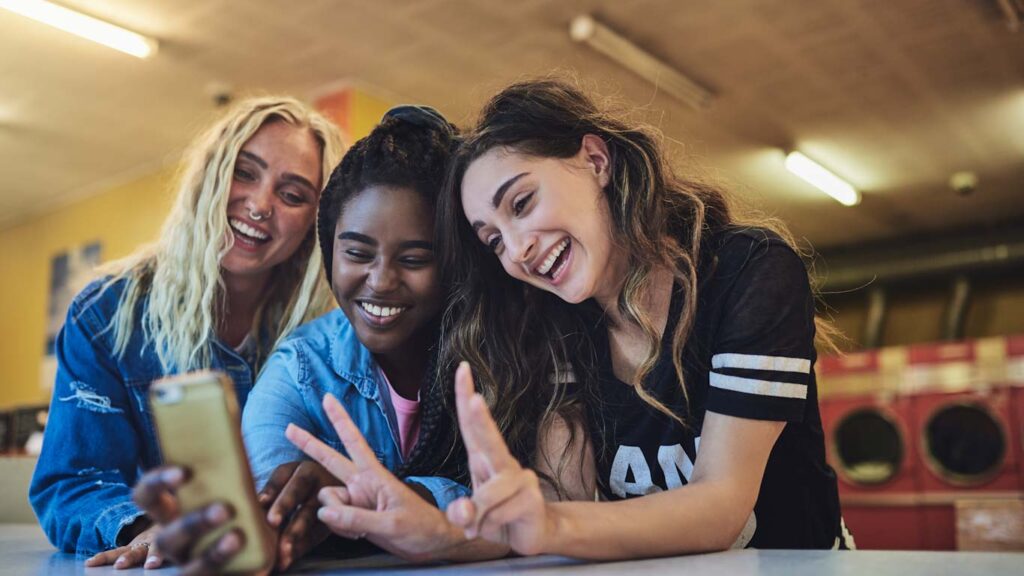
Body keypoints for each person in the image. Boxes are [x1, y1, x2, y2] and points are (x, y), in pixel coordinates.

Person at [291, 78, 853, 560]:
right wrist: (439, 527)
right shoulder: (558, 317)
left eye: (522, 203)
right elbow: (563, 501)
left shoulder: (748, 272)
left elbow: (722, 505)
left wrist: (549, 524)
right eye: (492, 241)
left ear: (595, 160)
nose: (517, 251)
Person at [130, 106, 478, 573]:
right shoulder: (300, 367)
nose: (380, 281)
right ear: (328, 248)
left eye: (415, 259)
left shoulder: (496, 352)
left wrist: (391, 497)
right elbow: (265, 501)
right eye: (356, 252)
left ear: (455, 261)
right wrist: (265, 526)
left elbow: (542, 496)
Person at [28, 96, 343, 569]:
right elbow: (71, 482)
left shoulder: (329, 337)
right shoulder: (107, 314)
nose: (260, 205)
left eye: (293, 194)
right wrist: (147, 528)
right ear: (208, 177)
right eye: (244, 172)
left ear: (315, 222)